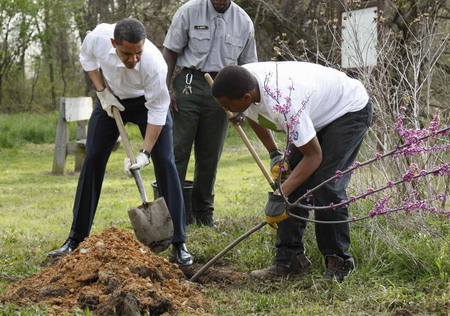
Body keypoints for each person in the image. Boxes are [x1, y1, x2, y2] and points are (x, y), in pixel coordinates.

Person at [48, 18, 193, 266]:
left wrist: (144, 153)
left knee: (165, 163)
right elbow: (87, 59)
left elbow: (158, 111)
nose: (134, 59)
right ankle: (75, 239)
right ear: (114, 43)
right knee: (92, 159)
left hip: (147, 104)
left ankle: (179, 243)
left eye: (138, 52)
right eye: (127, 53)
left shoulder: (155, 65)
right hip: (111, 100)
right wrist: (102, 91)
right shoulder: (97, 37)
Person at [211, 61, 372, 281]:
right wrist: (274, 153)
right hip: (316, 113)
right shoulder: (243, 80)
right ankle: (290, 260)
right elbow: (254, 114)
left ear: (246, 97)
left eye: (228, 105)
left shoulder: (283, 100)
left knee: (327, 184)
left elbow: (313, 156)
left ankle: (339, 263)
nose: (226, 110)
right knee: (289, 179)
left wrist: (279, 195)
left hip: (348, 109)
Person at [162, 0, 258, 226]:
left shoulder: (243, 21)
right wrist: (165, 90)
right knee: (178, 150)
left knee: (210, 155)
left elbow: (251, 67)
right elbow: (170, 51)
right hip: (189, 83)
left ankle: (203, 214)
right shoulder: (188, 11)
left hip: (225, 86)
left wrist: (246, 104)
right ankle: (173, 213)